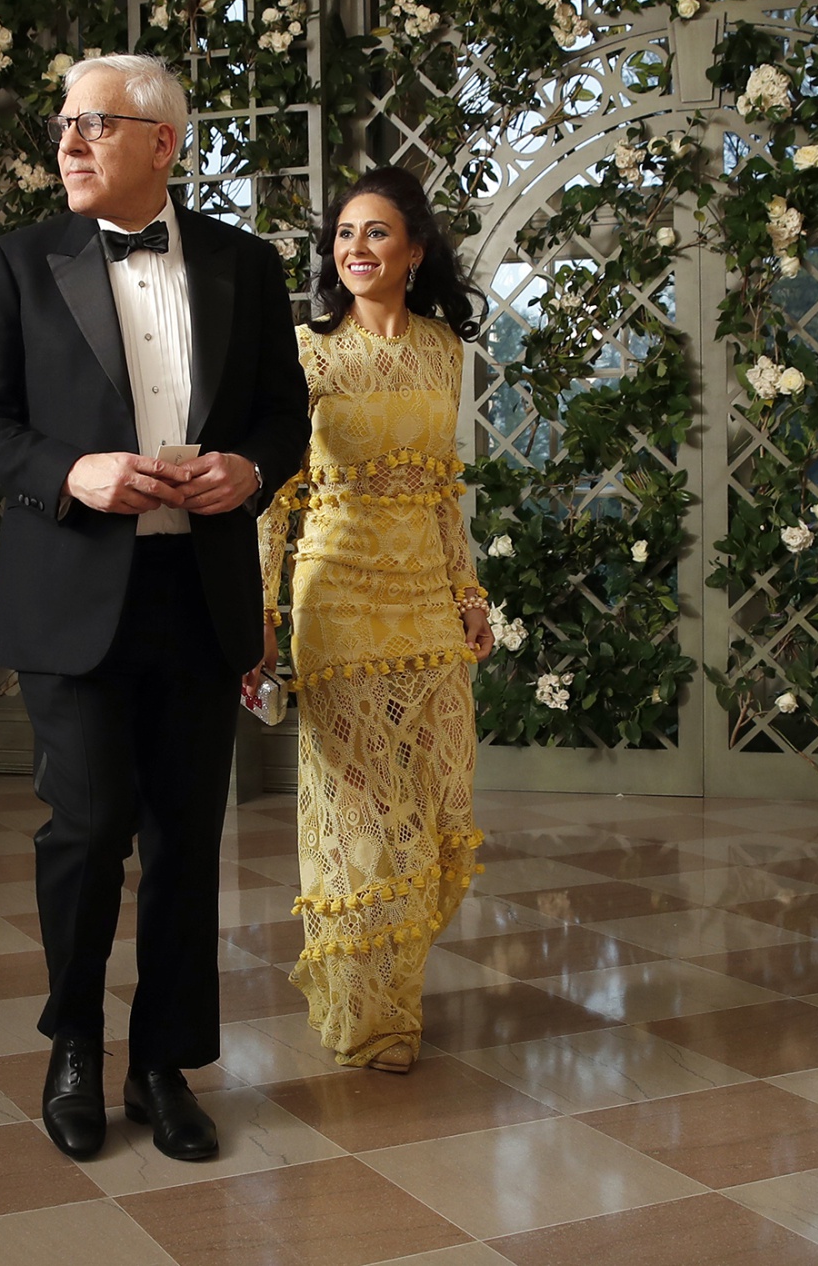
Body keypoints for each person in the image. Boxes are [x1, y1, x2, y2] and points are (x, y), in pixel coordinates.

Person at [0, 54, 310, 1162]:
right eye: (64, 125)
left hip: (195, 594)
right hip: (72, 595)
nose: (67, 143)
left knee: (186, 836)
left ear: (162, 143)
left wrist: (249, 469)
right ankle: (71, 1046)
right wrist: (71, 473)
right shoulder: (19, 262)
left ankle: (163, 1063)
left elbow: (282, 418)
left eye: (93, 124)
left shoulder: (247, 266)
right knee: (90, 824)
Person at [248, 167, 495, 1073]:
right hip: (338, 597)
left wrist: (469, 598)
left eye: (376, 233)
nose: (355, 249)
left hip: (425, 599)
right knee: (361, 810)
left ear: (415, 251)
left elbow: (440, 493)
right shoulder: (308, 353)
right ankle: (373, 1014)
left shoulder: (442, 350)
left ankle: (394, 983)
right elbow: (276, 499)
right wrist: (262, 614)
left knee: (430, 800)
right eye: (344, 235)